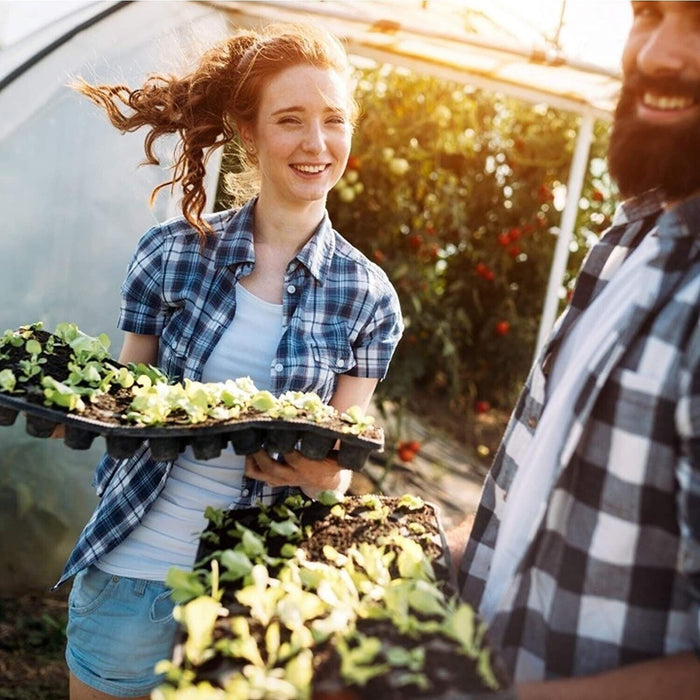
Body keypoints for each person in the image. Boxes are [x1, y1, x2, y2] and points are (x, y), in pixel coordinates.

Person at [53, 23, 403, 700]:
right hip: (136, 571)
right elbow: (123, 404)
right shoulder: (171, 255)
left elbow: (337, 462)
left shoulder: (368, 298)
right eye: (290, 120)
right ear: (248, 132)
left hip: (256, 597)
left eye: (334, 120)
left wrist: (323, 473)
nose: (316, 143)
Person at [450, 2, 700, 697]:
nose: (657, 54)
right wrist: (403, 553)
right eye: (649, 10)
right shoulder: (629, 240)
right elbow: (536, 512)